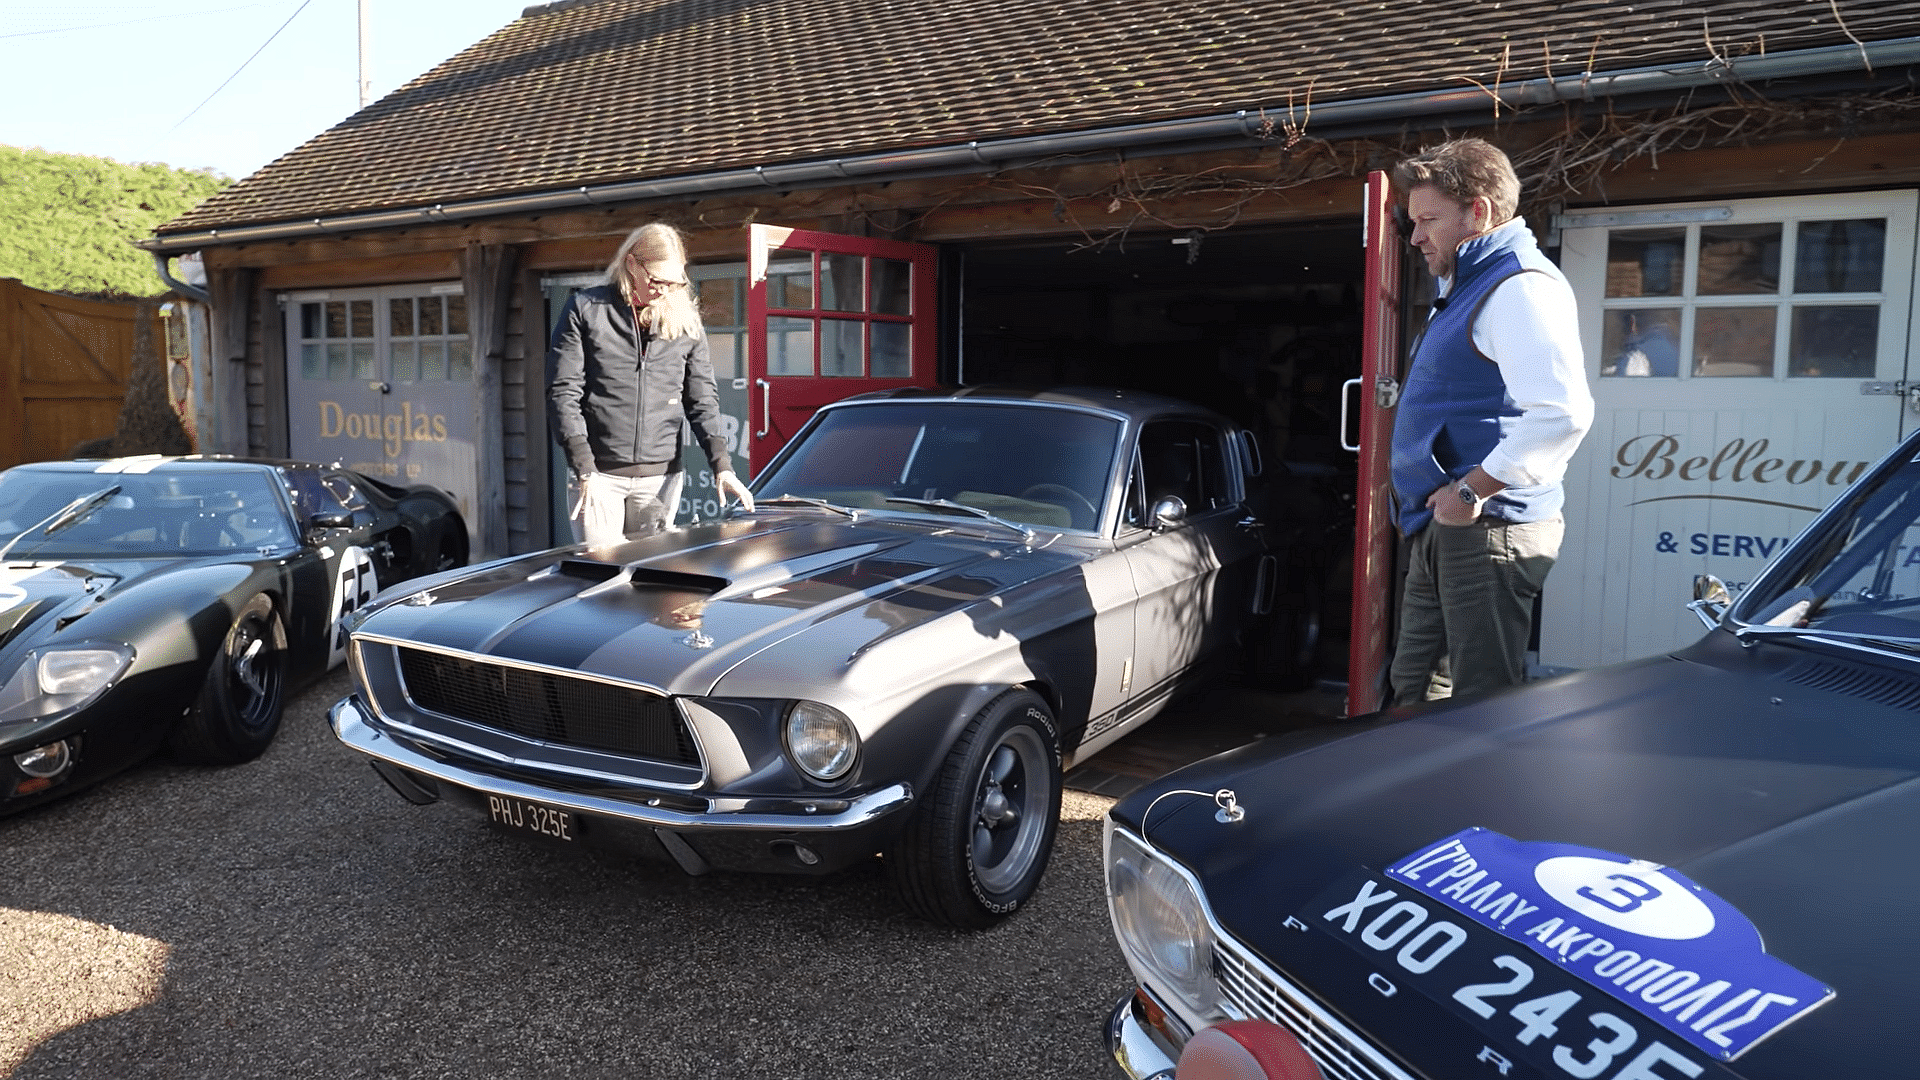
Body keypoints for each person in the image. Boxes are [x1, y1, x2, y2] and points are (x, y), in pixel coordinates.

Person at [1387, 138, 1593, 704]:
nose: (1415, 236)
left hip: (1487, 527)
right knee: (1415, 692)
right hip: (1451, 525)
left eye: (1428, 219)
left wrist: (1470, 494)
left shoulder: (1519, 286)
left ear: (1478, 211)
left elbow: (1562, 413)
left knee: (1481, 707)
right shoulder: (1470, 283)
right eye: (1413, 221)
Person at [547, 222, 753, 547]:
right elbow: (563, 392)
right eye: (657, 280)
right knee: (603, 582)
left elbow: (701, 398)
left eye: (675, 283)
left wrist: (722, 466)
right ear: (632, 264)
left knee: (651, 582)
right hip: (598, 476)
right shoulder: (587, 309)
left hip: (660, 477)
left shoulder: (685, 320)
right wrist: (583, 465)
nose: (665, 290)